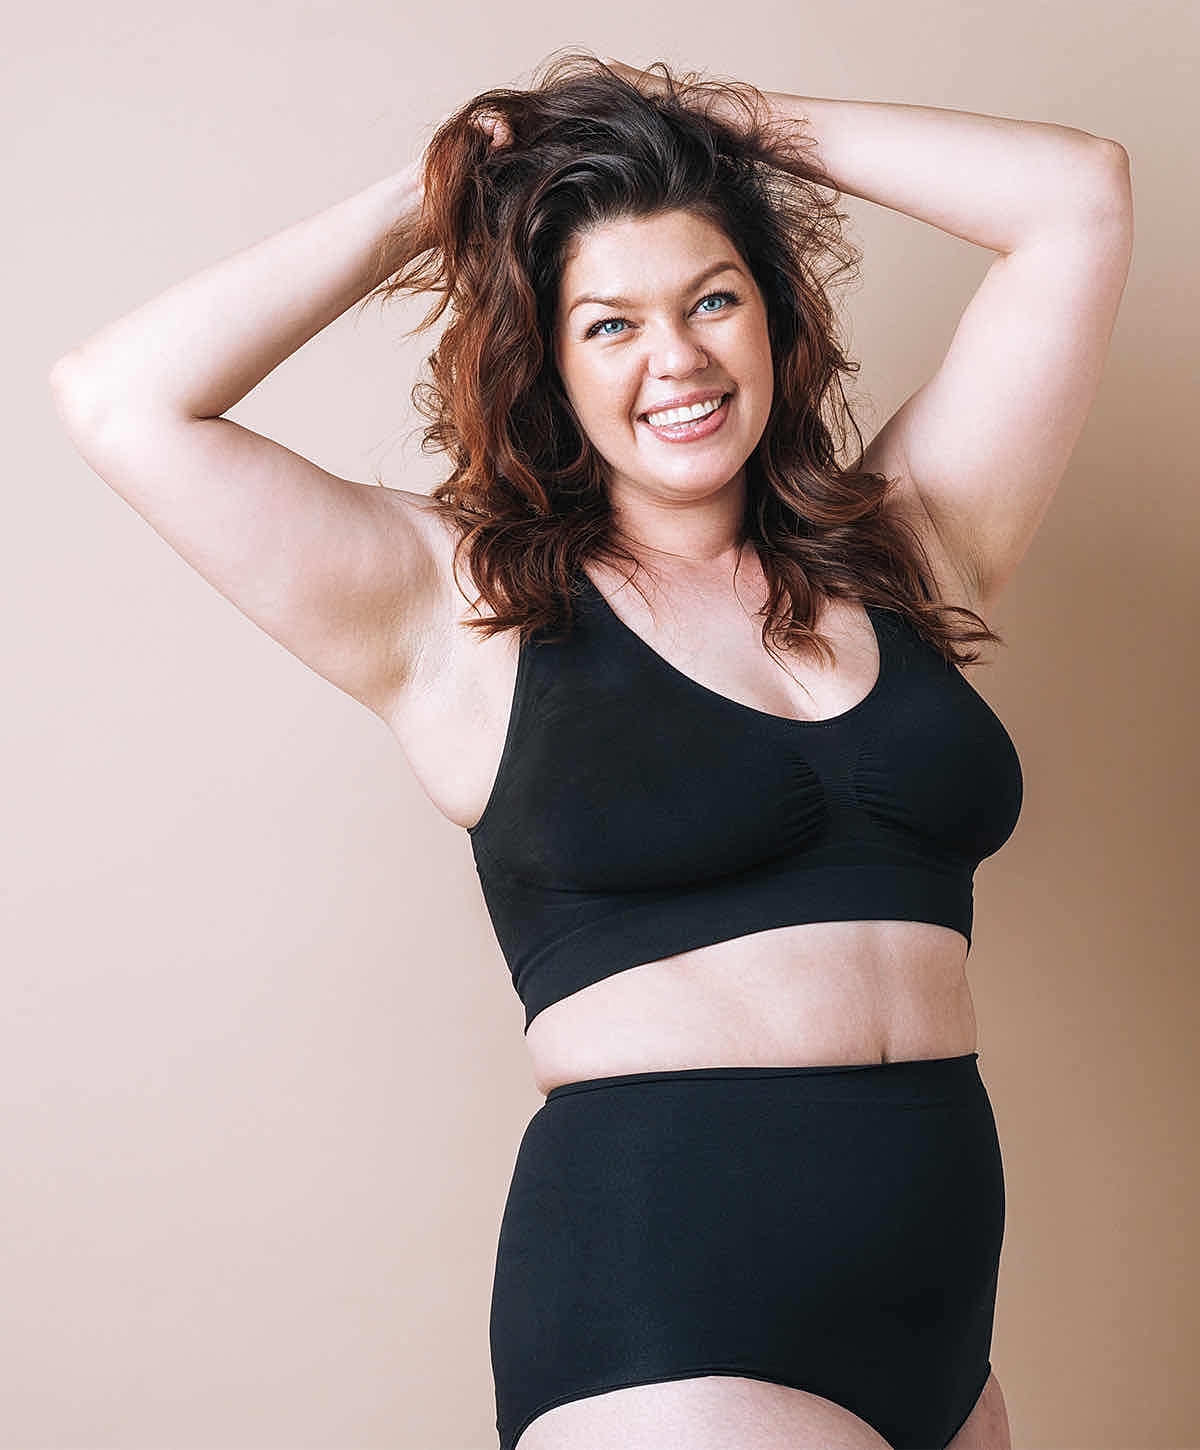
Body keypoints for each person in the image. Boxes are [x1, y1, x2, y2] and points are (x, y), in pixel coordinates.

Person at [49, 50, 1133, 1450]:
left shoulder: (908, 546)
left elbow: (1079, 201)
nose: (676, 357)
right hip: (666, 1303)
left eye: (712, 299)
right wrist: (432, 196)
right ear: (550, 366)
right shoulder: (464, 605)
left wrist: (723, 128)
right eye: (609, 324)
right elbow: (119, 396)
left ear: (773, 318)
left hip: (940, 1315)